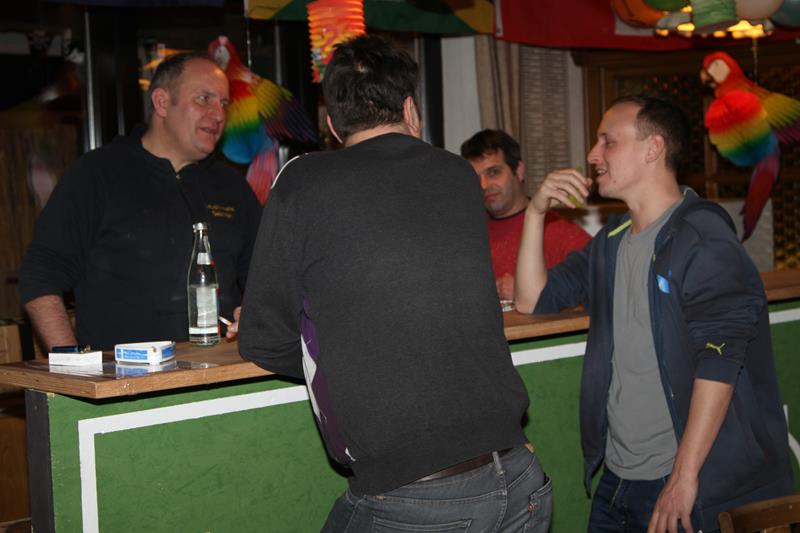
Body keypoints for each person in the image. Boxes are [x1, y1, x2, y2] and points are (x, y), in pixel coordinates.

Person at [238, 35, 552, 532]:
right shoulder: (457, 174)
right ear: (410, 110)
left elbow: (263, 338)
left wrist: (353, 362)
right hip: (521, 477)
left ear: (333, 125)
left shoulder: (303, 182)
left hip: (414, 494)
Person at [514, 95, 793, 533]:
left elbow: (720, 358)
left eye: (607, 140)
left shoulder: (702, 236)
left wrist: (684, 475)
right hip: (618, 478)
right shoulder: (612, 240)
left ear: (653, 148)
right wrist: (534, 212)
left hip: (682, 479)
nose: (593, 154)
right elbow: (533, 300)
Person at [19, 52, 261, 351]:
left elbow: (267, 278)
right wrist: (71, 364)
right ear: (162, 102)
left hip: (224, 371)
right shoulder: (98, 174)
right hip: (126, 375)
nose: (219, 114)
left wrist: (255, 317)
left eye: (224, 103)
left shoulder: (233, 187)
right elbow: (41, 274)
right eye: (204, 99)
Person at [461, 129, 590, 300]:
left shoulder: (561, 233)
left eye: (493, 172)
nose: (484, 185)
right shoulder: (465, 235)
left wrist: (530, 291)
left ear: (519, 170)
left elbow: (600, 295)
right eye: (475, 178)